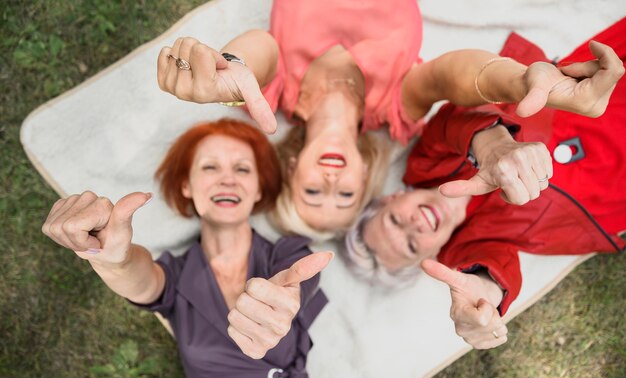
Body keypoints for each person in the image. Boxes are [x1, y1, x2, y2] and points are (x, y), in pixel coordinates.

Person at [156, 0, 624, 241]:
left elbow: (257, 50)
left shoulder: (271, 95)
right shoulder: (398, 113)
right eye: (347, 195)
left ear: (293, 165)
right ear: (365, 176)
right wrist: (519, 81)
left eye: (313, 191)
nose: (333, 179)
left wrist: (229, 65)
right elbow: (451, 75)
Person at [344, 19, 626, 349]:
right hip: (610, 192)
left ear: (392, 198)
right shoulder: (464, 250)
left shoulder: (424, 166)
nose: (414, 226)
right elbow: (493, 271)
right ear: (429, 255)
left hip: (592, 103)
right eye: (410, 246)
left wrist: (493, 147)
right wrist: (486, 299)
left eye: (394, 220)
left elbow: (456, 119)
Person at [42, 119, 342, 378]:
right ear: (187, 185)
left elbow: (297, 284)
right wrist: (113, 260)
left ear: (259, 189)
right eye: (211, 167)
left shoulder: (289, 254)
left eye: (242, 169)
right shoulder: (176, 278)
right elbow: (139, 277)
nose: (228, 179)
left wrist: (285, 304)